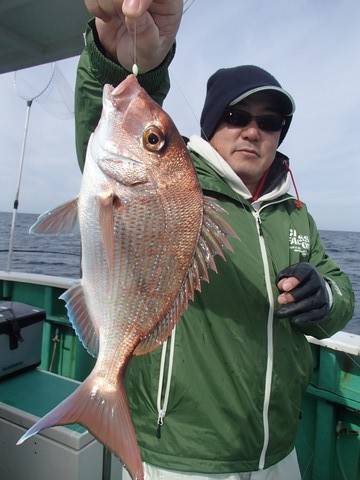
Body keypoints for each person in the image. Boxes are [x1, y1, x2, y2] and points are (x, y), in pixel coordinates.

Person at [75, 1, 355, 478]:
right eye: (237, 114)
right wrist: (116, 54)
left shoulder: (295, 211)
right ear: (209, 123)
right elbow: (108, 130)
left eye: (269, 122)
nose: (253, 130)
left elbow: (339, 289)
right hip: (180, 457)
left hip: (277, 454)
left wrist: (325, 296)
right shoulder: (178, 185)